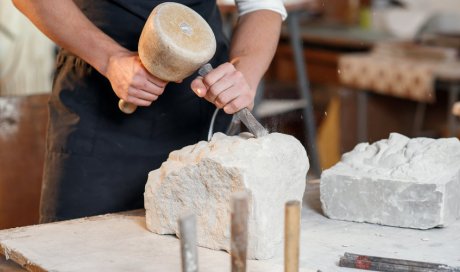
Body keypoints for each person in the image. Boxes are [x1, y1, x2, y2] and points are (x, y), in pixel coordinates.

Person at [12, 0, 287, 223]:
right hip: (98, 113)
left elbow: (262, 6)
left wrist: (245, 73)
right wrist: (109, 58)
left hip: (195, 113)